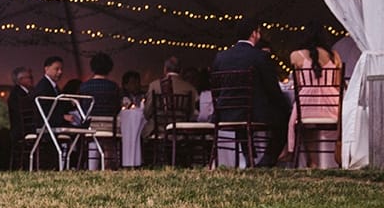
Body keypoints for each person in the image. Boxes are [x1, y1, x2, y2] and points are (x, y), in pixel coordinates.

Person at [210, 20, 289, 167]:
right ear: (254, 33)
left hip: (225, 113)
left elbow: (215, 88)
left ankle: (249, 158)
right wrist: (284, 106)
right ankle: (267, 160)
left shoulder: (221, 57)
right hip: (252, 113)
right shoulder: (260, 57)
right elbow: (272, 90)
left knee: (244, 119)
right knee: (285, 118)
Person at [283, 22, 344, 166]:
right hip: (331, 106)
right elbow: (337, 83)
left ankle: (311, 160)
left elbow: (299, 84)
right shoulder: (334, 56)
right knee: (343, 113)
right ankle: (335, 156)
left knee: (302, 121)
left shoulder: (296, 56)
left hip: (307, 104)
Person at [142, 56, 199, 138]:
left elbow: (147, 112)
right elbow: (191, 113)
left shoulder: (154, 85)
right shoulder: (190, 88)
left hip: (158, 130)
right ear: (181, 70)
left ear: (165, 69)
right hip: (181, 131)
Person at [78, 53, 120, 117]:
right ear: (109, 68)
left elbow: (81, 107)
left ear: (92, 67)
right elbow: (117, 107)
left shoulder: (84, 86)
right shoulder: (113, 87)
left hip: (89, 122)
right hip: (109, 122)